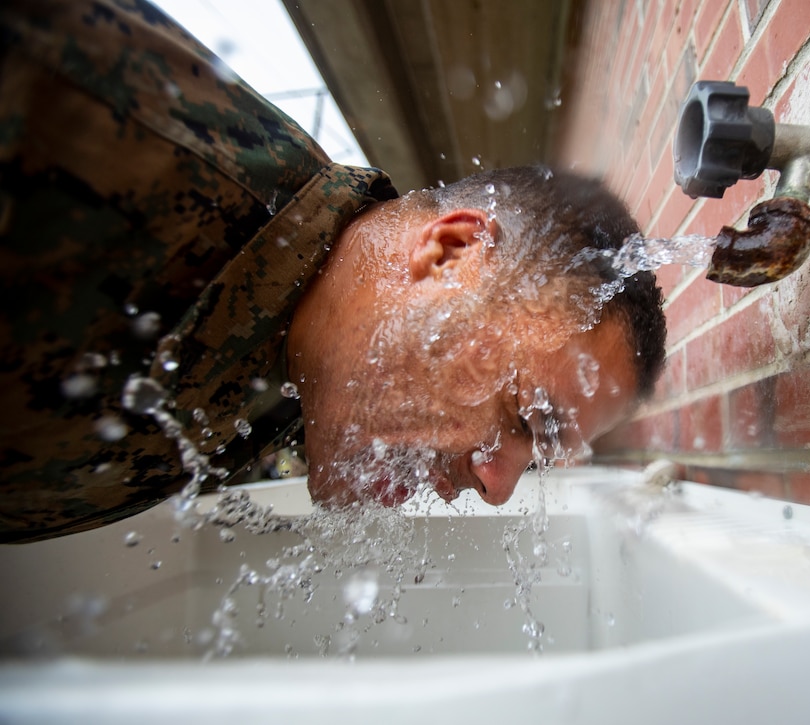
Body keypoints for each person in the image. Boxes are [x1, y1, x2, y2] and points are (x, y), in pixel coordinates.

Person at [0, 0, 667, 544]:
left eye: (534, 459)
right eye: (523, 415)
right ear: (450, 254)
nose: (497, 489)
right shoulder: (86, 118)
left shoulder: (309, 381)